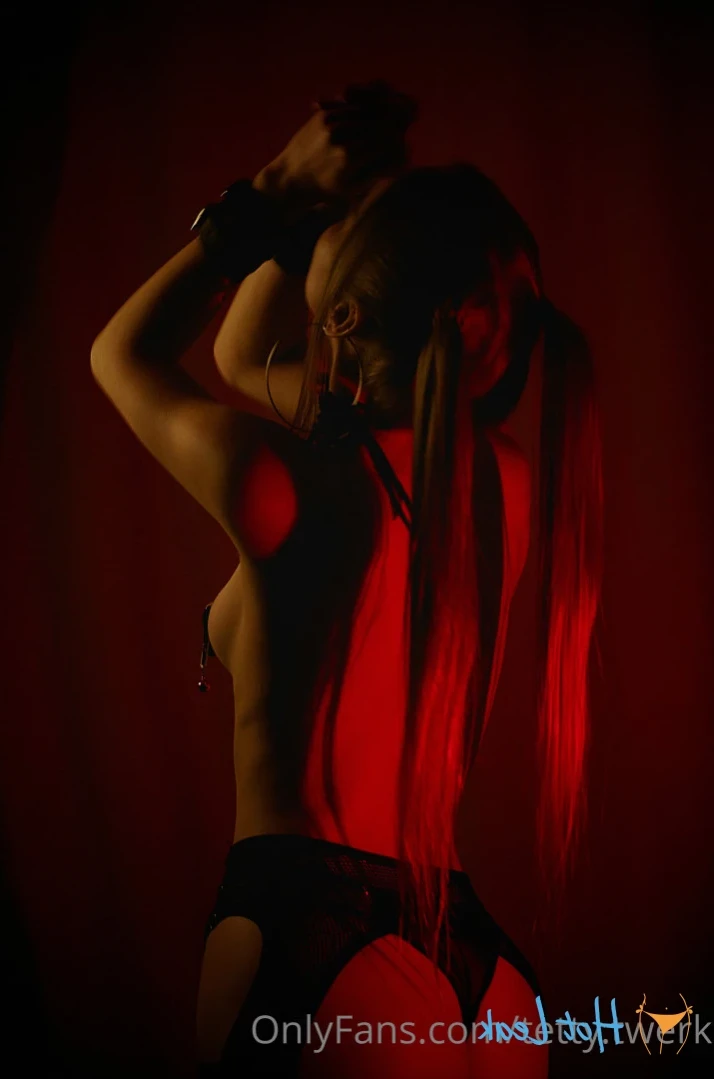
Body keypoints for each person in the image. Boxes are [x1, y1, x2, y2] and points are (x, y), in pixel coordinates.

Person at [91, 82, 602, 1078]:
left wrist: (274, 192)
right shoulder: (508, 485)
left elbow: (123, 353)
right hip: (480, 966)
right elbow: (246, 358)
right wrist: (319, 224)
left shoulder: (277, 482)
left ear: (348, 317)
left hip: (313, 934)